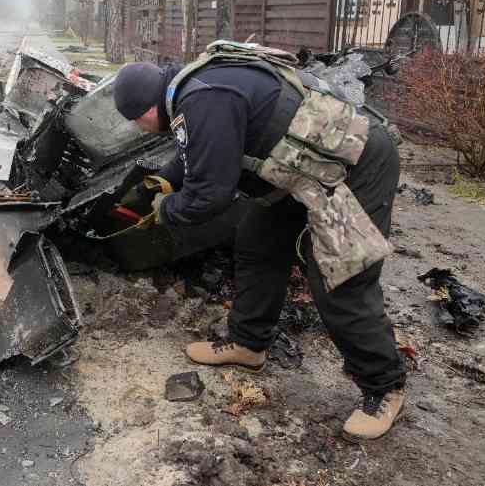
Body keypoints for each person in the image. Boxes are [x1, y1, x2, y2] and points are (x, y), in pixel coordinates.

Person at [112, 45, 406, 442]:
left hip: (355, 166)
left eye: (136, 123)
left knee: (339, 280)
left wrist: (165, 211)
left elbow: (210, 195)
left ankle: (384, 387)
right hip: (301, 172)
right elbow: (195, 151)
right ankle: (249, 345)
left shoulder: (201, 99)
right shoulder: (190, 89)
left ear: (145, 111)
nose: (140, 130)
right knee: (256, 241)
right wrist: (164, 180)